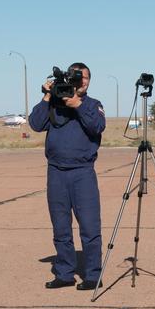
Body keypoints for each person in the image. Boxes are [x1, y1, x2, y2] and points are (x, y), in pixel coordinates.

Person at [29, 62, 106, 290]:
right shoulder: (54, 102)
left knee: (90, 227)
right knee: (60, 227)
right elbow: (35, 124)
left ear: (89, 81)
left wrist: (77, 105)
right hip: (56, 173)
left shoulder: (93, 104)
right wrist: (46, 96)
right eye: (77, 77)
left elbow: (97, 127)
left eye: (85, 78)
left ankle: (93, 275)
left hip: (83, 174)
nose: (81, 81)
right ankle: (64, 273)